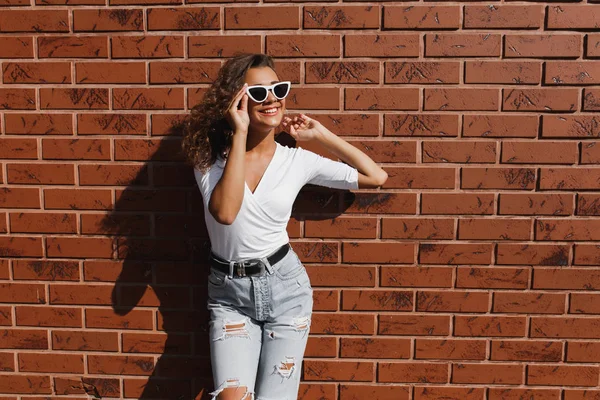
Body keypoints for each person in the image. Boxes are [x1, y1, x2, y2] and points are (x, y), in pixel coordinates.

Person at [182, 53, 388, 400]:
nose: (272, 99)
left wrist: (320, 134)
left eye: (278, 89)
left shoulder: (296, 161)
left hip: (285, 291)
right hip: (229, 295)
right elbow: (226, 213)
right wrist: (239, 133)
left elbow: (375, 176)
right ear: (237, 99)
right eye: (258, 93)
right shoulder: (209, 160)